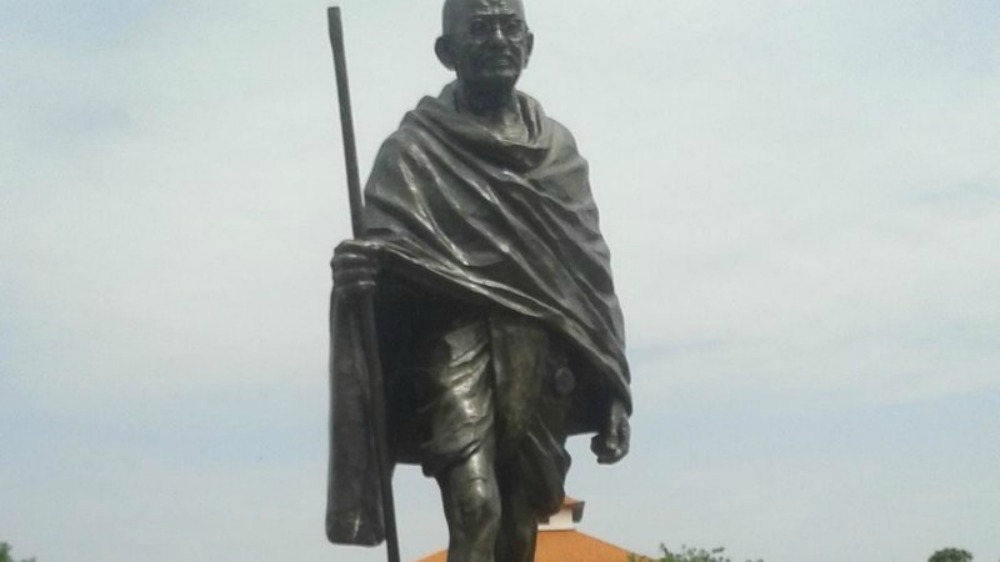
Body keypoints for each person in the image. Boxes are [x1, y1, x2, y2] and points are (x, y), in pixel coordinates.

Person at [326, 0, 631, 560]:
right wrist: (361, 271)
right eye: (481, 28)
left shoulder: (557, 154)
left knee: (521, 518)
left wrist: (614, 390)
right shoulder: (412, 153)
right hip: (454, 342)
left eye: (510, 27)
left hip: (544, 353)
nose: (497, 40)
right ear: (447, 52)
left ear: (529, 45)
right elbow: (388, 259)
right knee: (475, 506)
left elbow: (590, 276)